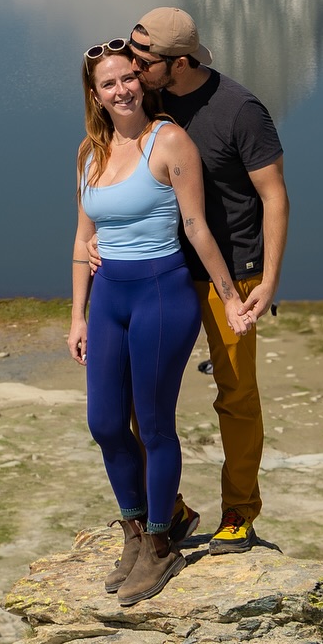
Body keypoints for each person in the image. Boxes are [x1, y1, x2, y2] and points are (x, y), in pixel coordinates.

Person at [69, 40, 248, 607]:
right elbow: (82, 238)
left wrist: (230, 297)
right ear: (95, 95)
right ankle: (133, 530)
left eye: (128, 78)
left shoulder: (168, 141)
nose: (121, 90)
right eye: (108, 84)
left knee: (152, 425)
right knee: (104, 423)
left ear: (141, 81)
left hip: (161, 295)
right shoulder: (90, 152)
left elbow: (196, 227)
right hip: (109, 299)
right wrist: (77, 316)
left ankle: (160, 543)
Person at [127, 7, 289, 555]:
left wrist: (268, 279)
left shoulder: (240, 110)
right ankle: (169, 508)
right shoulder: (146, 101)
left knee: (237, 395)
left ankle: (239, 511)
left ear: (179, 63)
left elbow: (274, 197)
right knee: (142, 394)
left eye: (143, 60)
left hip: (236, 276)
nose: (132, 67)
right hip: (166, 268)